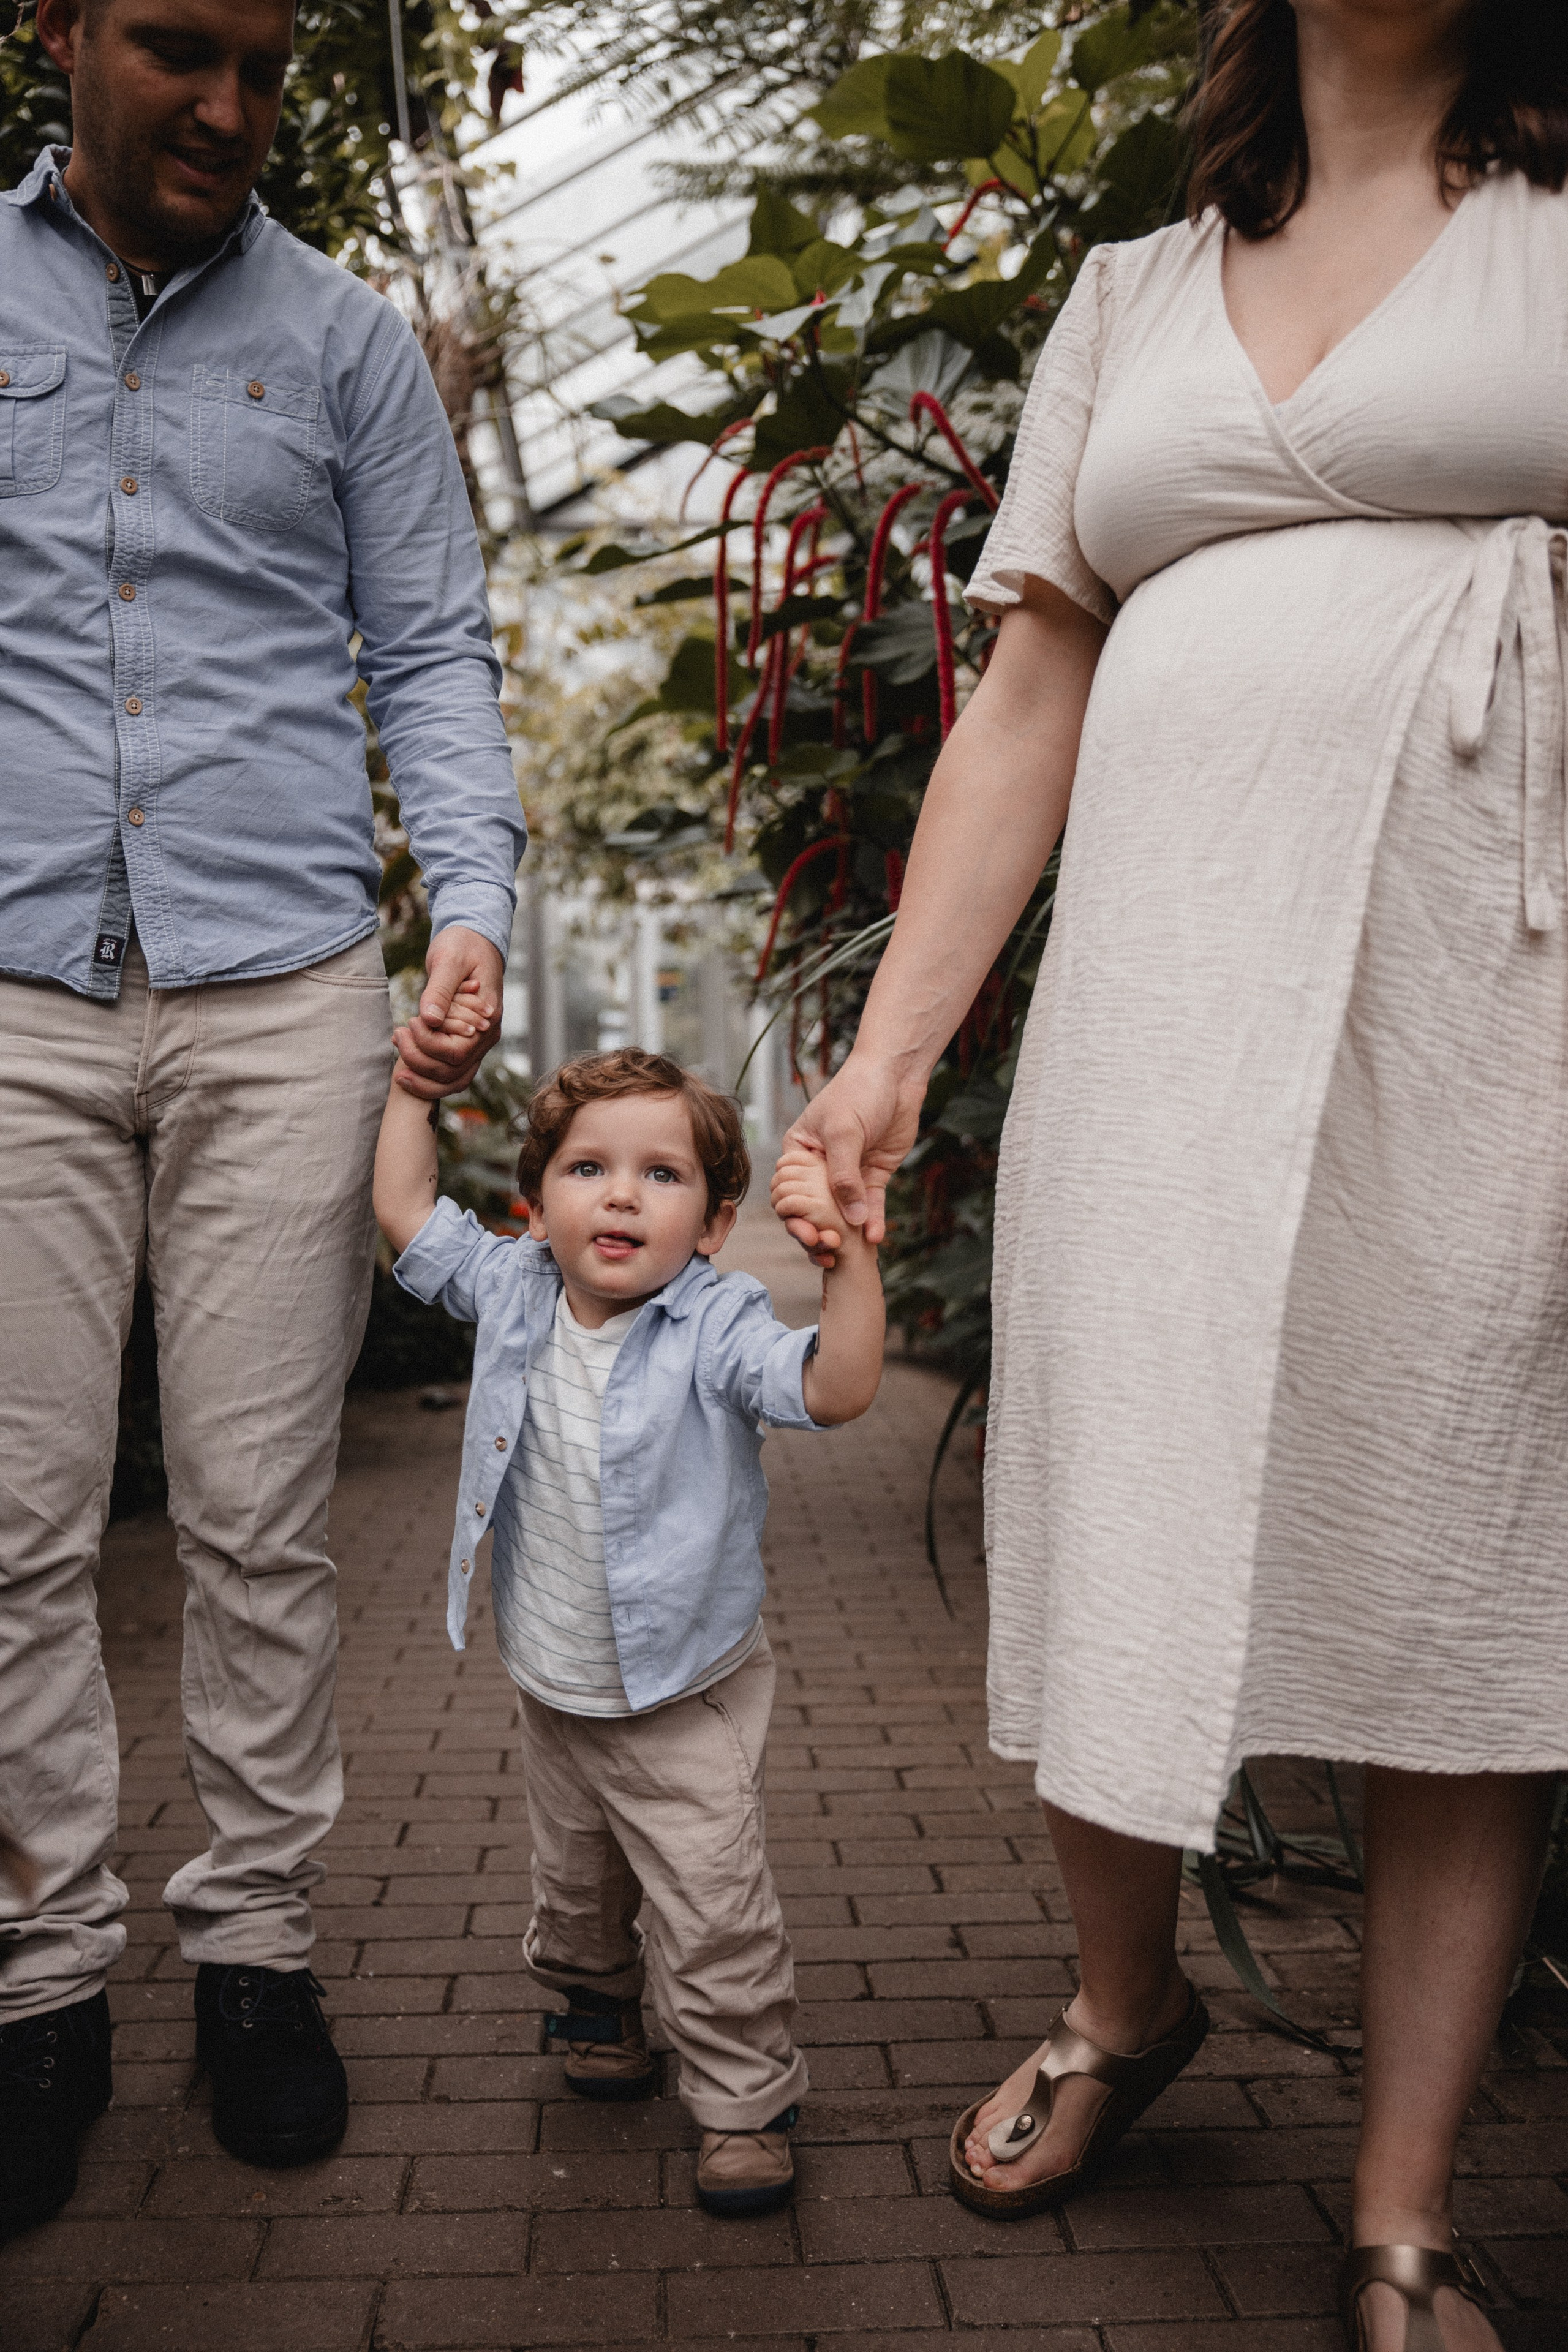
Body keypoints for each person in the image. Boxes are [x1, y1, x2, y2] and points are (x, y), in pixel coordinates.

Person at [775, 2, 1567, 2345]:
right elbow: (1032, 694)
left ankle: (1404, 2199)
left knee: (1453, 1526)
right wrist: (889, 1058)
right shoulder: (1128, 291)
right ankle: (1131, 2003)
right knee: (1116, 1475)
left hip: (1487, 992)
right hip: (1158, 992)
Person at [0, 0, 527, 2234]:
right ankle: (40, 1981)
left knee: (255, 1514)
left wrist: (477, 904)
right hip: (10, 983)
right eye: (183, 50)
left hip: (287, 988)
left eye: (273, 67)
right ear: (61, 32)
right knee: (14, 1521)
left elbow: (430, 647)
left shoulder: (348, 345)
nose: (233, 108)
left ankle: (256, 1955)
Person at [374, 1048, 884, 2214]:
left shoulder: (715, 1323)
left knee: (714, 1908)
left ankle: (746, 2101)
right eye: (587, 1168)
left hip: (682, 1689)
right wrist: (413, 1086)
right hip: (552, 1679)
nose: (618, 1194)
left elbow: (836, 1389)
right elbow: (403, 1209)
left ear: (711, 1226)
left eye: (661, 1176)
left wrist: (849, 1260)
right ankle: (599, 2016)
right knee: (574, 1885)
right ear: (536, 1199)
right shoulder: (511, 1289)